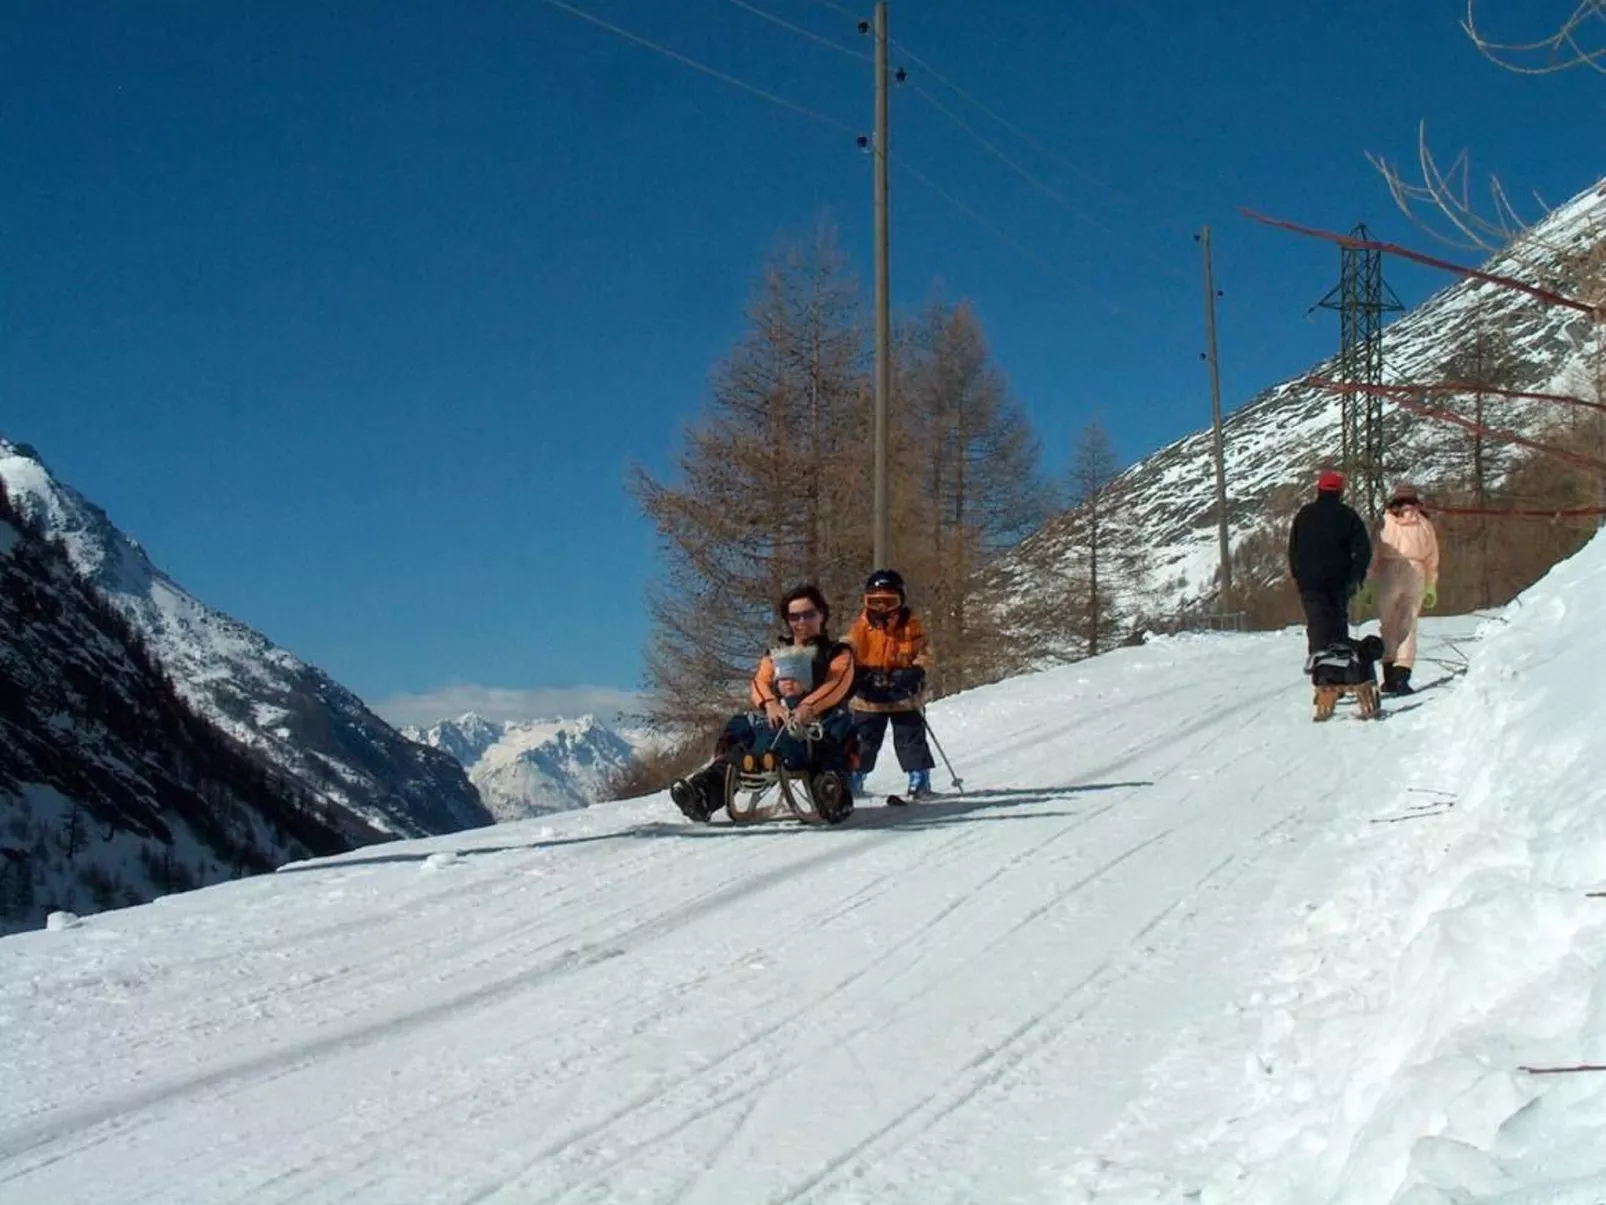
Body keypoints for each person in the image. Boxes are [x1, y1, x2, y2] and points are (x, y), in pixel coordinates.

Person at [670, 584, 857, 824]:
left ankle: (831, 794)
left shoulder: (838, 653)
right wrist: (770, 703)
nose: (801, 622)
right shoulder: (777, 653)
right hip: (778, 720)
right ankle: (703, 794)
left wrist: (807, 707)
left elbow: (836, 683)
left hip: (822, 722)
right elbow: (760, 681)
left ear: (822, 614)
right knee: (742, 743)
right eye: (794, 616)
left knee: (826, 749)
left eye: (808, 614)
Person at [846, 569, 936, 800]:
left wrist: (915, 670)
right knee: (863, 740)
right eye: (875, 602)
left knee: (910, 739)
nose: (882, 609)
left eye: (889, 601)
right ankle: (855, 776)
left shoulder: (911, 626)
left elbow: (926, 652)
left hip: (903, 695)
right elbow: (846, 652)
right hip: (869, 698)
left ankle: (919, 777)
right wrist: (858, 672)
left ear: (900, 601)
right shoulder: (860, 628)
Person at [1287, 469, 1372, 660]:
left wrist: (1297, 575)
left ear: (1319, 490)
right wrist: (1357, 577)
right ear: (1340, 491)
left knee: (1317, 623)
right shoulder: (1348, 515)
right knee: (1337, 623)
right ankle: (1339, 669)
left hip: (1310, 581)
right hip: (1339, 580)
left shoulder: (1304, 514)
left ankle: (1321, 670)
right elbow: (1363, 550)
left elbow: (1293, 548)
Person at [1365, 482, 1440, 695]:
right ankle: (1402, 675)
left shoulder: (1386, 523)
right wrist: (1431, 585)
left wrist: (1369, 584)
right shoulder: (1425, 525)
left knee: (1388, 625)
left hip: (1388, 572)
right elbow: (1432, 558)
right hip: (1416, 572)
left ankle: (1388, 675)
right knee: (1408, 625)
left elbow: (1375, 556)